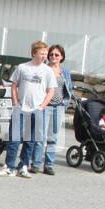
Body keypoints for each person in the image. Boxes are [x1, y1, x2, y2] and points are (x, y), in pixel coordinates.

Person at [0, 41, 56, 178]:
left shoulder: (48, 71)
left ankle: (23, 165)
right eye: (41, 53)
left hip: (36, 110)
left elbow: (51, 90)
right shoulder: (22, 67)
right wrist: (16, 102)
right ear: (34, 53)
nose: (44, 56)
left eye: (45, 54)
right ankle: (9, 166)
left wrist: (42, 106)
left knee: (30, 141)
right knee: (14, 139)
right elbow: (14, 85)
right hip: (21, 108)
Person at [40, 44, 73, 174]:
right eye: (51, 54)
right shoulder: (44, 69)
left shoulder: (64, 72)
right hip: (45, 106)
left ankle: (49, 165)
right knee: (40, 137)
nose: (53, 57)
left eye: (56, 55)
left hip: (58, 106)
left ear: (62, 57)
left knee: (53, 138)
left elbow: (69, 89)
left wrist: (65, 103)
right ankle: (35, 162)